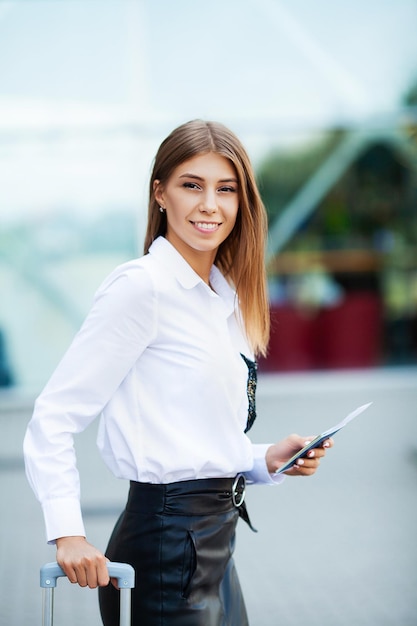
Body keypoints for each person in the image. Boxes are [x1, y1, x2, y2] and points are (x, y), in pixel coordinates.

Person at [24, 119, 333, 626]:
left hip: (215, 545)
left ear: (242, 202)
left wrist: (265, 460)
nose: (210, 204)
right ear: (160, 194)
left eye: (226, 189)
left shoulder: (224, 298)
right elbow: (53, 417)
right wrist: (68, 532)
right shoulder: (141, 289)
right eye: (192, 185)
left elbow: (188, 439)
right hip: (166, 547)